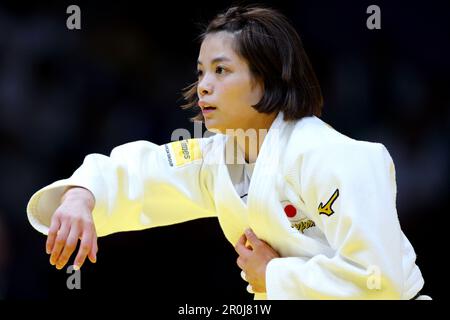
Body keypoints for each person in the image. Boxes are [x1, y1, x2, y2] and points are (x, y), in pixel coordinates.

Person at [26, 5, 427, 299]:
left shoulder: (335, 157)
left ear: (265, 78)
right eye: (200, 72)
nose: (203, 86)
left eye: (221, 70)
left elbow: (381, 280)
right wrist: (81, 196)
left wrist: (275, 276)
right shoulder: (221, 157)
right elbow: (144, 172)